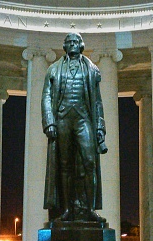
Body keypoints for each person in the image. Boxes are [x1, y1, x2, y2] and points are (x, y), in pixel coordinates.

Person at [41, 33, 107, 222]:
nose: (72, 45)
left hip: (83, 119)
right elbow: (46, 96)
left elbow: (97, 102)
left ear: (81, 45)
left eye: (75, 42)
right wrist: (49, 122)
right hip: (62, 118)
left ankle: (89, 209)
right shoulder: (53, 69)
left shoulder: (92, 69)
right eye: (69, 42)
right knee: (65, 165)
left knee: (89, 162)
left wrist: (100, 127)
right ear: (64, 46)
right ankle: (67, 209)